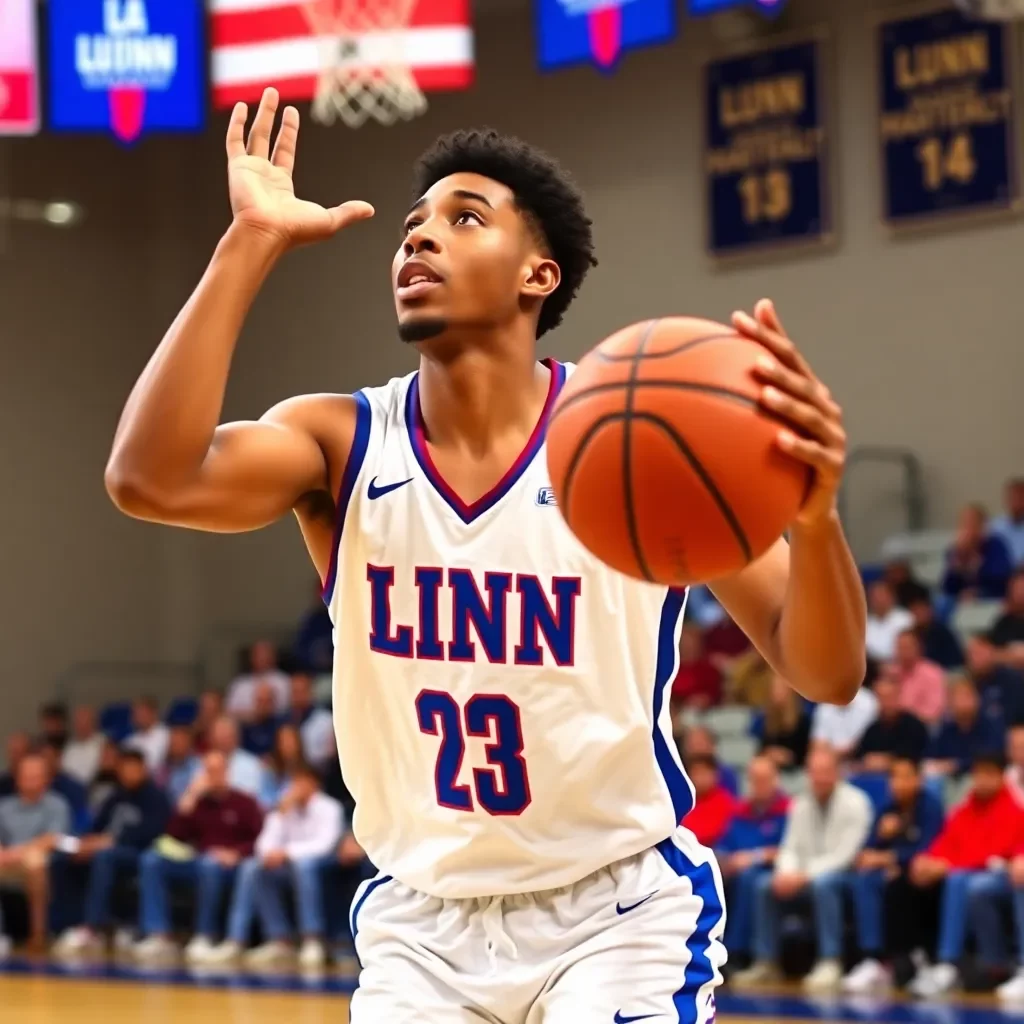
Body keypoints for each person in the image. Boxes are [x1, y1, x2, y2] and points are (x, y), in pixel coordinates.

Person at [104, 92, 867, 1021]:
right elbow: (149, 479)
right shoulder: (342, 442)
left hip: (614, 912)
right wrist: (249, 242)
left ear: (537, 274)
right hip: (421, 925)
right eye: (413, 227)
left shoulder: (638, 439)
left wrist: (816, 523)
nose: (419, 241)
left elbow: (824, 670)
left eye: (464, 220)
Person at [731, 748, 872, 992]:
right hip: (803, 877)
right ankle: (766, 961)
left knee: (824, 883)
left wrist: (803, 876)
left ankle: (831, 960)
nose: (819, 778)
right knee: (765, 885)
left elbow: (845, 856)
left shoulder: (857, 802)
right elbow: (789, 847)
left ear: (837, 773)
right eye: (814, 772)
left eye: (825, 772)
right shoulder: (800, 803)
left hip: (845, 878)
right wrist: (785, 873)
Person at [201, 763, 343, 968]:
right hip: (287, 867)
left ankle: (312, 939)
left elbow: (325, 845)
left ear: (314, 784)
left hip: (321, 867)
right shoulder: (285, 806)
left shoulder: (330, 807)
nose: (296, 787)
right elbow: (263, 844)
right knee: (253, 867)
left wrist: (285, 853)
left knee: (304, 865)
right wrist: (280, 815)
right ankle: (259, 940)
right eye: (294, 782)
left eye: (301, 782)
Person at [908, 753, 1024, 996]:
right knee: (959, 881)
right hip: (977, 875)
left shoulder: (1013, 809)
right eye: (977, 774)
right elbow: (946, 843)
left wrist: (947, 865)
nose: (981, 780)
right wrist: (928, 860)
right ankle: (960, 964)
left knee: (967, 882)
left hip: (1003, 875)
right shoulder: (965, 809)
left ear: (1002, 777)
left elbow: (1000, 854)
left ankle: (961, 962)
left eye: (988, 774)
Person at [133, 750, 263, 965]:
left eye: (217, 770)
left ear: (227, 772)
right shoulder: (198, 801)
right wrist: (190, 796)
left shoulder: (244, 802)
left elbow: (261, 839)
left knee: (209, 864)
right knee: (151, 860)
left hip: (230, 865)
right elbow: (172, 836)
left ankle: (205, 934)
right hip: (196, 860)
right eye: (208, 771)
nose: (212, 776)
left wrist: (237, 853)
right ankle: (159, 934)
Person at [51, 748, 171, 957]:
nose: (128, 773)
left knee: (105, 856)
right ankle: (61, 925)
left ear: (143, 770)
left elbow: (152, 834)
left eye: (133, 768)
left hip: (137, 853)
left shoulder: (156, 797)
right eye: (124, 768)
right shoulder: (115, 796)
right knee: (62, 857)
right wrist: (85, 843)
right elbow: (96, 827)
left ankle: (92, 926)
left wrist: (110, 842)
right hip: (105, 848)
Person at [842, 756, 944, 993]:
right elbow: (865, 852)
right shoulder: (887, 808)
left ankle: (916, 959)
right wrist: (882, 838)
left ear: (919, 779)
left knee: (901, 882)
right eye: (894, 777)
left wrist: (892, 858)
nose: (898, 783)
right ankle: (873, 959)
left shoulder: (929, 806)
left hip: (922, 876)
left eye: (905, 777)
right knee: (865, 881)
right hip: (886, 874)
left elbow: (928, 849)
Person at [716, 756, 788, 969]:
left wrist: (754, 857)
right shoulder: (740, 811)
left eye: (764, 779)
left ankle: (737, 952)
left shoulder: (788, 810)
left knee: (750, 879)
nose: (759, 785)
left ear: (776, 780)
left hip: (772, 872)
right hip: (735, 872)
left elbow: (789, 850)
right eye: (754, 779)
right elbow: (723, 846)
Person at [0, 753, 71, 954]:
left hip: (38, 864)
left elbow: (51, 839)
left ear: (46, 779)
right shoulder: (4, 807)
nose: (30, 780)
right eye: (26, 775)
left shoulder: (57, 805)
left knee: (35, 860)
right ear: (17, 778)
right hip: (6, 862)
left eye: (35, 776)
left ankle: (38, 935)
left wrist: (15, 853)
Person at [925, 676, 1005, 779]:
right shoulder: (946, 729)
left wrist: (957, 765)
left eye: (967, 696)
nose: (963, 702)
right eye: (957, 697)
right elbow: (931, 757)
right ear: (949, 702)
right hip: (949, 780)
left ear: (977, 698)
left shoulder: (991, 725)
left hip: (982, 778)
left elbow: (993, 758)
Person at [854, 673, 929, 773]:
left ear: (899, 696)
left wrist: (887, 761)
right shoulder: (873, 729)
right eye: (881, 698)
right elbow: (861, 757)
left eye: (889, 697)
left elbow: (914, 758)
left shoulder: (914, 726)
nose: (886, 703)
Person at [941, 503, 1013, 603]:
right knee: (943, 602)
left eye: (972, 522)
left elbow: (1000, 579)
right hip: (960, 599)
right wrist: (960, 559)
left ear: (982, 525)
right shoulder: (956, 550)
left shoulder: (996, 545)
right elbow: (948, 587)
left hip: (990, 595)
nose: (968, 528)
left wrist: (977, 591)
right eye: (964, 523)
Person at [890, 628, 947, 728]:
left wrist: (907, 718)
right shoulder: (891, 674)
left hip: (923, 727)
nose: (903, 652)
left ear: (919, 648)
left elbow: (934, 711)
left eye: (907, 647)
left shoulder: (932, 673)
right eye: (900, 648)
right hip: (893, 727)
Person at [756, 672, 811, 772]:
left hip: (795, 771)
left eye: (780, 689)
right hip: (772, 769)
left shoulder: (802, 720)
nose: (777, 693)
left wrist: (787, 757)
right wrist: (769, 753)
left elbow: (806, 754)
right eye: (774, 689)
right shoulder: (767, 719)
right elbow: (760, 750)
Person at [682, 756, 737, 847]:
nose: (700, 779)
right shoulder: (683, 802)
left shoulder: (726, 802)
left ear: (716, 775)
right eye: (696, 773)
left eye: (704, 773)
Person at [285, 672, 334, 768]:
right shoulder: (284, 720)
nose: (298, 696)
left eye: (302, 691)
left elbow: (330, 754)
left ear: (310, 692)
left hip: (320, 772)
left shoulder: (325, 719)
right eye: (295, 691)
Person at [908, 595, 963, 670]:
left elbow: (954, 660)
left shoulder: (943, 633)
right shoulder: (911, 634)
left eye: (921, 610)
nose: (919, 614)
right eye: (915, 611)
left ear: (929, 611)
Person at [865, 581, 915, 663]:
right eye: (874, 597)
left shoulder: (905, 618)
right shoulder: (864, 622)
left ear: (892, 597)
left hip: (899, 664)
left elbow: (909, 648)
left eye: (881, 595)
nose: (878, 600)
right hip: (870, 666)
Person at [61, 705, 105, 786]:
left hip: (95, 787)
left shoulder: (104, 744)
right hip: (72, 789)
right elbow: (64, 770)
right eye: (79, 722)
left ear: (93, 723)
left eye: (85, 722)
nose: (82, 726)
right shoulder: (70, 746)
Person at [123, 696, 169, 773]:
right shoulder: (129, 742)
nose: (138, 716)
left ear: (154, 713)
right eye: (136, 712)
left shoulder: (167, 735)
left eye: (142, 711)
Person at [990, 478, 1024, 569]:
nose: (1017, 502)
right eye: (1013, 498)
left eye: (1020, 498)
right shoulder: (995, 527)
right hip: (1001, 575)